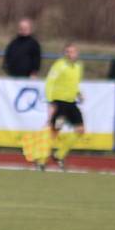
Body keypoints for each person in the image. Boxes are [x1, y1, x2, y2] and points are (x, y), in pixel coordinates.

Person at [40, 43, 84, 171]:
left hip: (71, 103)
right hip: (60, 103)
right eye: (68, 52)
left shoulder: (78, 67)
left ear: (77, 53)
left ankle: (59, 155)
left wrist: (78, 93)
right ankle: (42, 160)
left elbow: (73, 84)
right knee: (55, 131)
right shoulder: (59, 65)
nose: (70, 54)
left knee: (80, 130)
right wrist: (50, 101)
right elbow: (50, 83)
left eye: (73, 52)